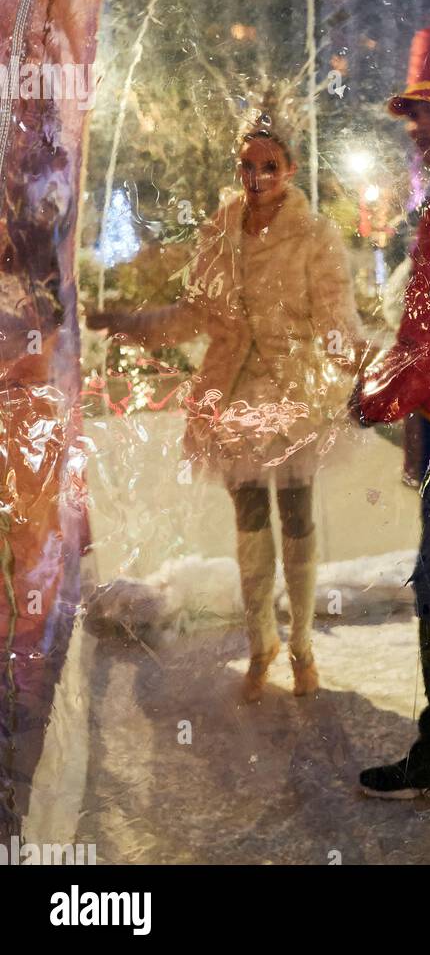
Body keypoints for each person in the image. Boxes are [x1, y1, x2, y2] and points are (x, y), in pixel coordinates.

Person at [88, 111, 367, 701]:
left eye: (270, 165)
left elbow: (334, 323)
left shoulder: (313, 236)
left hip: (293, 396)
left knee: (296, 515)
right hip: (232, 398)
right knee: (249, 519)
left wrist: (378, 368)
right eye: (248, 165)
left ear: (290, 169)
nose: (257, 176)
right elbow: (193, 314)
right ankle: (261, 641)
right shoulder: (219, 232)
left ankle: (303, 648)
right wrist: (127, 325)